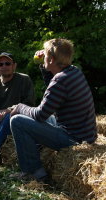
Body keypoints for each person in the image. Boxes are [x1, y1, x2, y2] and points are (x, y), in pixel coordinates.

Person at [9, 38, 97, 183]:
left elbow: (40, 115)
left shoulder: (60, 81)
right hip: (86, 135)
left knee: (17, 121)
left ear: (51, 59)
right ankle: (34, 151)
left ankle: (34, 172)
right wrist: (45, 67)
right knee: (43, 118)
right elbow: (55, 90)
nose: (43, 57)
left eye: (46, 55)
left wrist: (19, 107)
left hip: (74, 139)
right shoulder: (74, 71)